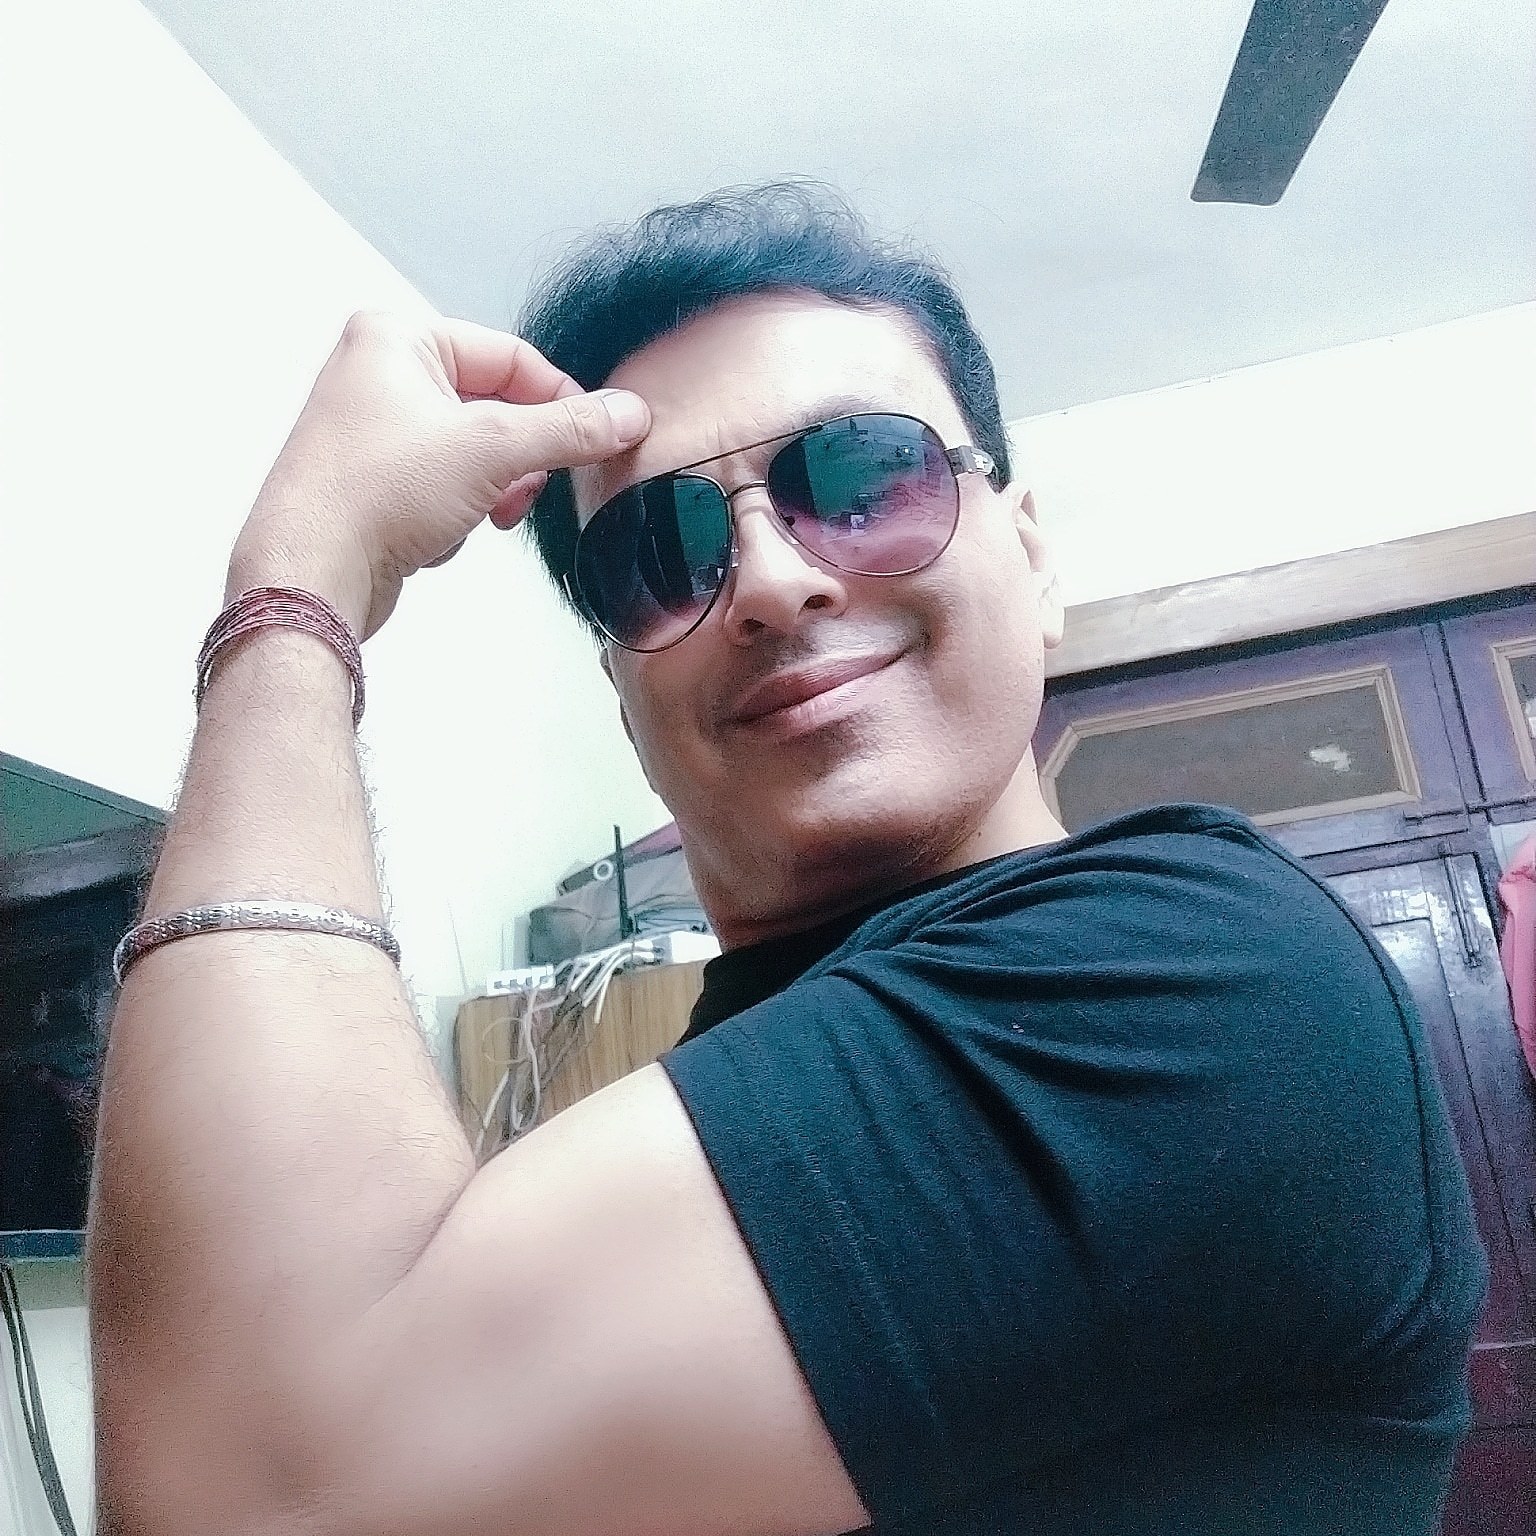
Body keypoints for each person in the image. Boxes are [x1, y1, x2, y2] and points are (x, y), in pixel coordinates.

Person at [89, 183, 1486, 1536]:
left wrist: (297, 584)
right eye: (662, 549)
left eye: (864, 477)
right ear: (625, 697)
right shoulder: (732, 1078)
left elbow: (250, 1485)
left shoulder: (1191, 985)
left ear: (1035, 559)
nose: (768, 578)